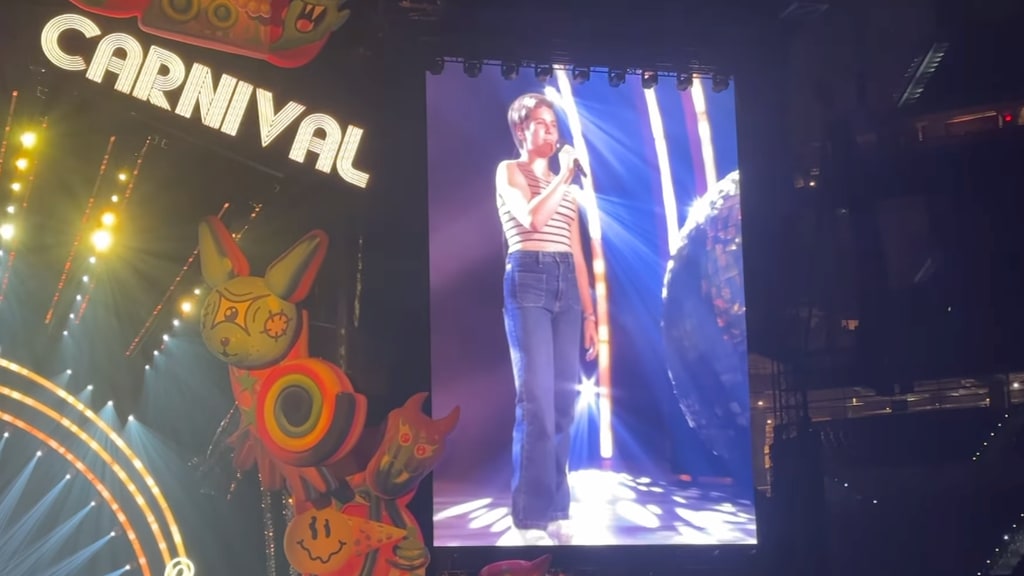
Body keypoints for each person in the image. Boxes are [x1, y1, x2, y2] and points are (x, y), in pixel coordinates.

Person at [495, 93, 598, 545]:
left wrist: (590, 313)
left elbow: (576, 250)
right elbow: (531, 219)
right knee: (535, 400)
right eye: (541, 123)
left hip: (565, 287)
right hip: (528, 279)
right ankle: (529, 516)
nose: (551, 131)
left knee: (562, 402)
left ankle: (558, 507)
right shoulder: (508, 172)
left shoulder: (568, 189)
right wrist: (565, 178)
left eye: (554, 124)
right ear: (522, 131)